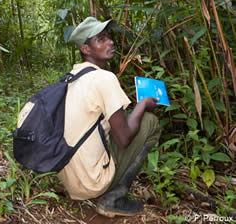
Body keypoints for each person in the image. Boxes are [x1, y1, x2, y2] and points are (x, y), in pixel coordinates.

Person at [57, 17, 161, 218]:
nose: (110, 42)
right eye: (101, 39)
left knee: (124, 121)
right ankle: (113, 198)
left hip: (71, 182)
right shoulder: (104, 78)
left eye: (109, 37)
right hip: (91, 182)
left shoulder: (71, 77)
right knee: (149, 122)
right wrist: (142, 105)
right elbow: (123, 138)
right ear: (86, 49)